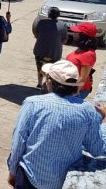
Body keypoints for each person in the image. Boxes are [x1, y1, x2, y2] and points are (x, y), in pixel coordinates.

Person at [7, 60, 106, 189]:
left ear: (49, 82)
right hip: (61, 181)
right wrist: (104, 120)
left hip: (29, 176)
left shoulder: (32, 103)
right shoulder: (87, 110)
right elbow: (97, 149)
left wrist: (13, 171)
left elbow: (18, 142)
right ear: (75, 86)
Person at [32, 7, 67, 89]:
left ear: (48, 14)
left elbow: (36, 34)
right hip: (55, 52)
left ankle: (39, 84)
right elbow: (64, 40)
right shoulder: (63, 25)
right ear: (58, 15)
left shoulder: (41, 22)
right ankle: (49, 85)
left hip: (40, 50)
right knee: (52, 70)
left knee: (40, 68)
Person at [66, 23, 98, 100]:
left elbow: (83, 78)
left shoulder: (88, 54)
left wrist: (72, 94)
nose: (74, 34)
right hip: (69, 86)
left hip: (78, 90)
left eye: (77, 33)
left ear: (84, 36)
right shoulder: (81, 49)